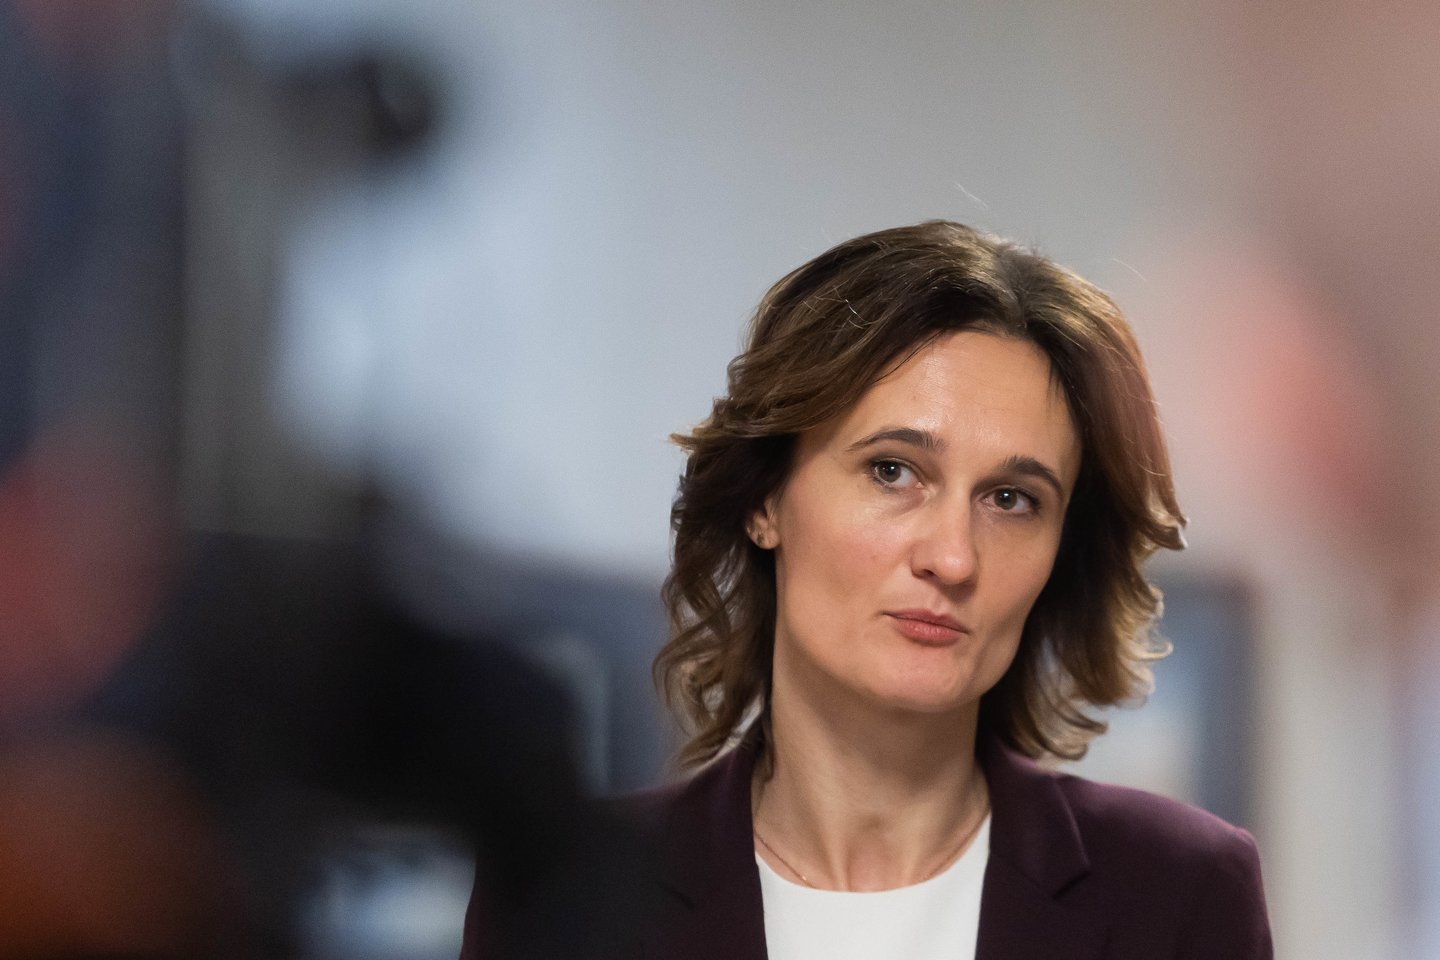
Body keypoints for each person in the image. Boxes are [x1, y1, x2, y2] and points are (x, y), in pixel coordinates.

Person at [633, 220, 1272, 960]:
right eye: (892, 471)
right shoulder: (572, 893)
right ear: (764, 499)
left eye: (1011, 499)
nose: (954, 558)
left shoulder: (1180, 892)